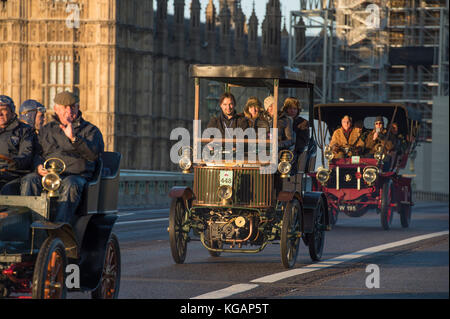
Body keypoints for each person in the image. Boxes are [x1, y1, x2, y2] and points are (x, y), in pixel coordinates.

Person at [21, 91, 105, 224]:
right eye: (64, 107)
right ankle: (31, 225)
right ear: (56, 109)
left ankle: (60, 227)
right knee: (29, 180)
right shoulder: (46, 130)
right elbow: (37, 154)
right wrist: (38, 167)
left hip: (75, 176)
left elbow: (94, 155)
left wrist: (74, 139)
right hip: (49, 176)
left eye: (72, 107)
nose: (69, 111)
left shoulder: (90, 130)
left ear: (77, 108)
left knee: (70, 184)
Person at [0, 95, 35, 194]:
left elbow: (26, 154)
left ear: (12, 111)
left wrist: (14, 162)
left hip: (14, 174)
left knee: (7, 189)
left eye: (3, 109)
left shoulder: (24, 130)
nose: (0, 113)